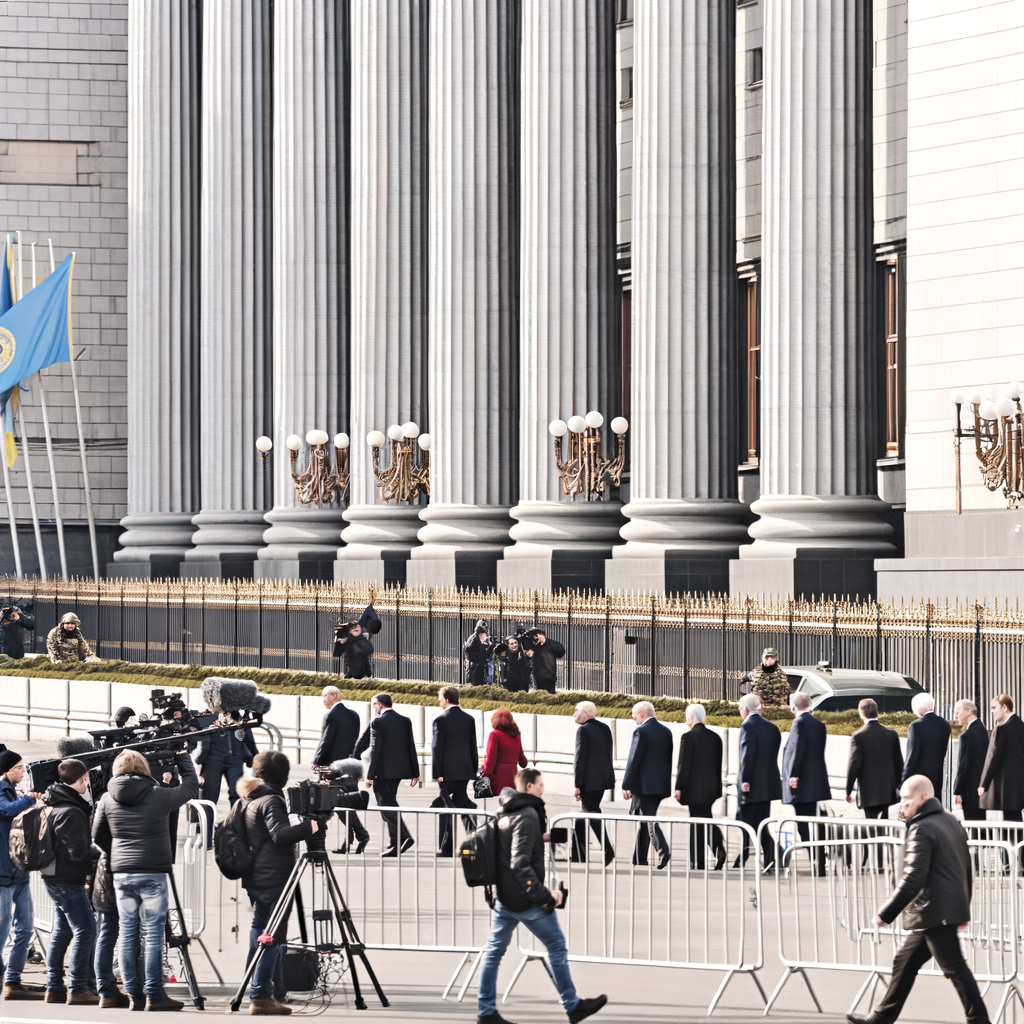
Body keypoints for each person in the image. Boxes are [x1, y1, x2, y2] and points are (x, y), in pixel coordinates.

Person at [847, 775, 990, 1024]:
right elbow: (966, 869)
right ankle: (881, 1017)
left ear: (923, 798)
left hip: (934, 911)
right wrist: (962, 908)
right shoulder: (949, 820)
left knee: (955, 968)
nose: (902, 807)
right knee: (905, 962)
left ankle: (980, 1020)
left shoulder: (922, 827)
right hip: (940, 910)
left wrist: (886, 913)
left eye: (906, 801)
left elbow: (914, 876)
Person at [476, 768, 607, 1024]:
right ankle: (573, 1005)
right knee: (556, 945)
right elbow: (519, 864)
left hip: (505, 897)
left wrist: (543, 838)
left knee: (493, 953)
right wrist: (547, 896)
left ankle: (486, 1012)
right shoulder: (527, 814)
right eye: (540, 784)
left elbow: (515, 848)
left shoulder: (507, 810)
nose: (542, 788)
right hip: (524, 900)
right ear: (528, 787)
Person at [92, 745, 199, 1011]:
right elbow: (190, 787)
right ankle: (154, 993)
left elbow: (97, 836)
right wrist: (182, 756)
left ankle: (133, 995)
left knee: (126, 934)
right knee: (152, 935)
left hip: (122, 874)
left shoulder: (107, 798)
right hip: (152, 872)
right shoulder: (159, 796)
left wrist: (117, 853)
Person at [238, 751, 317, 1016]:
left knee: (260, 930)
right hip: (272, 877)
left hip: (256, 876)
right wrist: (310, 827)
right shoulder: (272, 799)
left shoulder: (250, 796)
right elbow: (281, 834)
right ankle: (261, 994)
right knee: (271, 936)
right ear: (283, 776)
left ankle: (256, 988)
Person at [40, 759, 98, 1005]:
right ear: (83, 779)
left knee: (62, 931)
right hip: (67, 879)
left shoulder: (54, 802)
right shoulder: (71, 811)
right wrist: (100, 855)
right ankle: (77, 987)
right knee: (86, 929)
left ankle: (54, 987)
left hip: (54, 876)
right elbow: (77, 853)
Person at [0, 749, 42, 1001]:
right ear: (8, 770)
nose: (24, 771)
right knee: (3, 930)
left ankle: (13, 980)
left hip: (19, 873)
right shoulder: (1, 791)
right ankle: (5, 975)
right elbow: (6, 810)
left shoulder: (13, 791)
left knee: (25, 929)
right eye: (19, 767)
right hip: (3, 875)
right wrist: (30, 800)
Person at [360, 693, 419, 856]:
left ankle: (404, 837)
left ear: (379, 705)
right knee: (389, 803)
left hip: (382, 772)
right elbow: (411, 746)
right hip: (398, 772)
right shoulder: (404, 720)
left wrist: (370, 775)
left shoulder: (377, 722)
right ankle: (395, 841)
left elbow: (375, 750)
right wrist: (416, 772)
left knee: (385, 806)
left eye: (373, 705)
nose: (374, 708)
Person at [312, 686, 368, 854]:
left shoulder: (331, 715)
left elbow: (325, 741)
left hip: (334, 769)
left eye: (324, 696)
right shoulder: (354, 715)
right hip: (350, 768)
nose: (323, 699)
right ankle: (355, 837)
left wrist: (316, 762)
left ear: (333, 696)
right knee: (345, 804)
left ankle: (360, 834)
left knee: (337, 804)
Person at [621, 701, 673, 870]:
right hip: (660, 785)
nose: (633, 716)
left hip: (644, 786)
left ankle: (662, 848)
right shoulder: (666, 732)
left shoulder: (640, 731)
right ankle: (639, 857)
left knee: (649, 817)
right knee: (646, 818)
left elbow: (633, 760)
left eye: (634, 713)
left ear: (642, 714)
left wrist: (626, 784)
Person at [781, 692, 830, 874]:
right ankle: (820, 859)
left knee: (803, 823)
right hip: (816, 782)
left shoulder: (799, 722)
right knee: (816, 821)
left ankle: (815, 859)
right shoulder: (819, 725)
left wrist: (793, 777)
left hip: (801, 784)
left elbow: (796, 751)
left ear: (793, 707)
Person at [674, 703, 725, 871]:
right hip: (711, 788)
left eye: (687, 716)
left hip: (693, 789)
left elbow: (684, 765)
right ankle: (718, 850)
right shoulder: (715, 737)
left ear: (694, 718)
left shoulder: (688, 737)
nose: (686, 719)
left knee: (696, 823)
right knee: (706, 818)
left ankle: (698, 861)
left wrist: (678, 787)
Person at [431, 686, 479, 857]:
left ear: (446, 699)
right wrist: (473, 770)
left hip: (447, 773)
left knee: (447, 808)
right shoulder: (469, 719)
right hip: (465, 771)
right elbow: (473, 746)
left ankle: (447, 848)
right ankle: (475, 840)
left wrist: (437, 773)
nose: (438, 700)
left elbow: (437, 748)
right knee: (462, 802)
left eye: (440, 697)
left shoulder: (440, 720)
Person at [736, 693, 781, 871]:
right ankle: (769, 859)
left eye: (740, 708)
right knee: (761, 821)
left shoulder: (747, 726)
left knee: (744, 821)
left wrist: (745, 780)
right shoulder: (772, 727)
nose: (740, 711)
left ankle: (746, 854)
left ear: (745, 709)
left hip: (751, 785)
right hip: (768, 785)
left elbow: (747, 756)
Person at [571, 701, 615, 866]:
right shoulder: (605, 728)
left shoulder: (583, 730)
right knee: (584, 815)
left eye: (576, 711)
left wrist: (577, 783)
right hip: (602, 780)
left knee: (592, 813)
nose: (574, 714)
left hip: (588, 781)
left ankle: (608, 849)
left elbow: (580, 758)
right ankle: (578, 853)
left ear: (585, 713)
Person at [845, 698, 904, 820]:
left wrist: (848, 790)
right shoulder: (891, 735)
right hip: (887, 789)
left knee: (871, 826)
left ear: (862, 713)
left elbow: (854, 765)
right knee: (884, 823)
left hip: (869, 791)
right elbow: (898, 763)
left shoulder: (859, 736)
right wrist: (900, 786)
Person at [978, 692, 1024, 821]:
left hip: (1005, 786)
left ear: (1004, 708)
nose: (992, 711)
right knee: (1016, 823)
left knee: (1009, 825)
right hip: (1018, 785)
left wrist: (983, 784)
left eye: (994, 708)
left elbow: (992, 758)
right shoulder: (1020, 725)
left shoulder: (1002, 728)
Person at [194, 715, 258, 807]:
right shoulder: (210, 720)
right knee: (210, 794)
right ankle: (207, 820)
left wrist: (255, 760)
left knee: (236, 793)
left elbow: (250, 742)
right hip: (213, 759)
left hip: (235, 758)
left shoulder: (240, 722)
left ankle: (236, 820)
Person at [901, 692, 951, 801]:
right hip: (937, 776)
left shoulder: (915, 726)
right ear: (933, 707)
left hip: (918, 778)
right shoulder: (944, 724)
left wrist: (903, 780)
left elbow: (912, 755)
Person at [953, 698, 988, 827]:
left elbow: (963, 766)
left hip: (970, 788)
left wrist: (958, 790)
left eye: (957, 711)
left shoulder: (967, 735)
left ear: (968, 712)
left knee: (972, 825)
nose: (955, 715)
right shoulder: (982, 730)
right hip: (983, 786)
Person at [480, 710, 528, 797]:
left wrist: (485, 775)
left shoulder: (494, 734)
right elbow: (523, 762)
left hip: (497, 777)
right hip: (513, 778)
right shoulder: (517, 735)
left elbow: (491, 758)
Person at [525, 628, 565, 694]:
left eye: (535, 635)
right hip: (534, 678)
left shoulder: (550, 644)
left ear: (542, 635)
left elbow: (561, 651)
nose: (534, 638)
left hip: (548, 677)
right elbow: (525, 657)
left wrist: (545, 642)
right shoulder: (533, 646)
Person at [464, 621, 494, 686]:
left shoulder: (477, 638)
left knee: (479, 682)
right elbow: (469, 648)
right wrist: (475, 659)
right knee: (475, 682)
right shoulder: (474, 638)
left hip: (478, 664)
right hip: (475, 665)